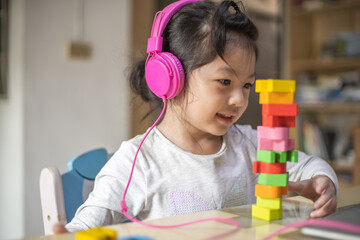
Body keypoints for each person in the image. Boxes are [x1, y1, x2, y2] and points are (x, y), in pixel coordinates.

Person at [54, 0, 337, 234]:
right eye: (225, 82)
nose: (240, 99)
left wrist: (323, 180)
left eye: (247, 85)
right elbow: (86, 225)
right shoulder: (136, 163)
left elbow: (309, 165)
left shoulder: (251, 144)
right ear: (170, 80)